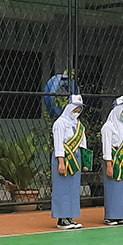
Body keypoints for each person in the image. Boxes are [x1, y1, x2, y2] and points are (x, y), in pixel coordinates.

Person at [51, 94, 87, 230]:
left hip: (75, 159)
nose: (76, 112)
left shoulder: (78, 125)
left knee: (73, 188)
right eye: (75, 109)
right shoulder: (60, 123)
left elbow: (83, 143)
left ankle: (70, 216)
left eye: (79, 110)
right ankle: (62, 219)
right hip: (64, 158)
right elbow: (58, 144)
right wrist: (61, 162)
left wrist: (84, 162)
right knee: (62, 188)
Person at [101, 96, 123, 226]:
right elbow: (106, 147)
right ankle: (110, 216)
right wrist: (109, 165)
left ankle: (120, 215)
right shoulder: (108, 127)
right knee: (113, 187)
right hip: (113, 160)